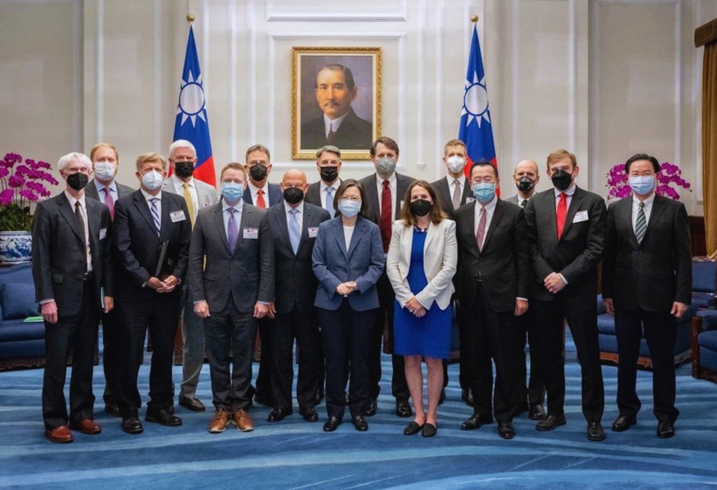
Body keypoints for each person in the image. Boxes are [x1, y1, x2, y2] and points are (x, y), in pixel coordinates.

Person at [602, 153, 692, 439]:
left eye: (646, 172)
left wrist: (682, 296)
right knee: (625, 358)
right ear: (627, 177)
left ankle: (665, 415)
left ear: (656, 175)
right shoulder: (615, 209)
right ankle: (627, 410)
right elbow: (610, 255)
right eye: (635, 172)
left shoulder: (674, 209)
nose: (640, 177)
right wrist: (607, 293)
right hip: (625, 296)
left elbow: (683, 258)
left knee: (662, 359)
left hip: (661, 297)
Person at [524, 149, 607, 442]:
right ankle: (555, 411)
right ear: (547, 173)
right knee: (549, 356)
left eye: (565, 168)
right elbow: (529, 246)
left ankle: (594, 417)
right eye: (554, 168)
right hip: (544, 290)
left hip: (578, 291)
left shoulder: (594, 202)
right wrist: (549, 276)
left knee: (588, 356)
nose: (559, 172)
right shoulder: (536, 202)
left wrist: (565, 277)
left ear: (576, 170)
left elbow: (596, 249)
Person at [32, 152, 114, 443]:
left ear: (90, 173)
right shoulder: (47, 209)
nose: (79, 173)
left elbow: (104, 256)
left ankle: (81, 414)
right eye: (73, 169)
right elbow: (40, 258)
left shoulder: (99, 209)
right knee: (56, 362)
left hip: (91, 296)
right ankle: (54, 420)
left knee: (85, 359)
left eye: (84, 169)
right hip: (61, 297)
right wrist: (46, 299)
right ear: (62, 174)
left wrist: (108, 292)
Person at [188, 162, 274, 433]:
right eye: (228, 180)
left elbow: (267, 262)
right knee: (217, 357)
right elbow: (193, 260)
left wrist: (264, 298)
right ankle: (222, 408)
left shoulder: (260, 216)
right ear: (221, 183)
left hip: (248, 300)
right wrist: (197, 298)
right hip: (213, 300)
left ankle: (240, 407)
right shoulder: (204, 216)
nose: (233, 184)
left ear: (245, 184)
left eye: (237, 180)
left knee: (245, 355)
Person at [113, 152, 191, 434]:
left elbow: (187, 246)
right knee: (131, 354)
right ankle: (129, 410)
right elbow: (122, 250)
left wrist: (176, 276)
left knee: (164, 352)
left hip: (168, 293)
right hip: (135, 294)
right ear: (138, 175)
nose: (154, 173)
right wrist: (147, 279)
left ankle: (160, 406)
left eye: (158, 168)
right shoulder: (124, 205)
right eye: (148, 169)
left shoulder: (177, 202)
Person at [455, 161, 529, 440]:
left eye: (488, 178)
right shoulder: (460, 214)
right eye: (477, 178)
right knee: (475, 359)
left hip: (505, 298)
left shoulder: (513, 214)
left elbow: (522, 257)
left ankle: (505, 415)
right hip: (470, 298)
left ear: (497, 181)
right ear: (471, 183)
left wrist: (522, 294)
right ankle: (481, 411)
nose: (482, 182)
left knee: (506, 359)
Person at [312, 179, 384, 432]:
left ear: (361, 202)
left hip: (363, 302)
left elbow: (378, 265)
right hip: (331, 302)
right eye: (346, 197)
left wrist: (358, 284)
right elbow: (318, 264)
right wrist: (336, 285)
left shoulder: (371, 229)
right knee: (334, 358)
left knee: (361, 358)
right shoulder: (325, 228)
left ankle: (358, 410)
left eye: (355, 198)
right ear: (338, 200)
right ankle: (334, 411)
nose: (350, 202)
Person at [386, 180, 457, 438]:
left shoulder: (447, 226)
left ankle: (432, 416)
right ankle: (418, 414)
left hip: (435, 302)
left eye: (423, 195)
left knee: (434, 359)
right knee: (411, 358)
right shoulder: (399, 227)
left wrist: (423, 299)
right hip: (405, 302)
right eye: (414, 196)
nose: (419, 199)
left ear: (432, 199)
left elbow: (449, 268)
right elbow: (391, 265)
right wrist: (408, 299)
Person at [266, 170, 331, 423]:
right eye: (288, 184)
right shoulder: (267, 216)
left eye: (298, 184)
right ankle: (281, 404)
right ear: (281, 186)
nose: (293, 188)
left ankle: (307, 403)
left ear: (306, 188)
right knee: (279, 355)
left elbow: (325, 258)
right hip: (278, 299)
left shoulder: (321, 215)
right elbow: (265, 260)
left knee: (310, 355)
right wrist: (266, 296)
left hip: (311, 298)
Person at [358, 136, 415, 418]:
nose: (386, 158)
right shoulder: (361, 188)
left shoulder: (412, 187)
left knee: (401, 337)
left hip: (404, 274)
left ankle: (402, 396)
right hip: (370, 275)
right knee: (369, 337)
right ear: (372, 157)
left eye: (391, 153)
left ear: (397, 156)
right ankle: (370, 394)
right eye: (381, 154)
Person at [162, 139, 218, 413]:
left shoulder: (209, 191)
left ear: (196, 161)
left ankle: (189, 391)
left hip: (202, 275)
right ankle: (162, 393)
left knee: (196, 339)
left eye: (189, 157)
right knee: (163, 338)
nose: (185, 161)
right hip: (169, 275)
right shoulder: (159, 189)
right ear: (171, 161)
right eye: (179, 157)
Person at [85, 143, 134, 417]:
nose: (106, 163)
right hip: (90, 279)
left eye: (110, 159)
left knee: (118, 343)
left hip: (124, 280)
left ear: (118, 163)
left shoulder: (129, 194)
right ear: (92, 164)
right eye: (100, 159)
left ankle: (114, 395)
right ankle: (83, 403)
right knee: (86, 343)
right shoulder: (83, 192)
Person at [430, 138, 474, 407]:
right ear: (444, 159)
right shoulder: (432, 190)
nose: (456, 158)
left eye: (460, 154)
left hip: (471, 269)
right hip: (440, 269)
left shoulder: (478, 187)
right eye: (451, 155)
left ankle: (469, 385)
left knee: (470, 333)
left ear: (466, 159)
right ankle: (440, 384)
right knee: (441, 331)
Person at [505, 158, 546, 420]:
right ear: (513, 177)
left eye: (530, 173)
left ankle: (536, 399)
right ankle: (517, 396)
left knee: (540, 348)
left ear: (538, 178)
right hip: (511, 291)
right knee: (513, 348)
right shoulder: (504, 206)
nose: (525, 177)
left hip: (542, 288)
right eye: (521, 173)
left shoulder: (546, 205)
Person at [243, 144, 281, 406]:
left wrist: (270, 291)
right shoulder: (235, 193)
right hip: (243, 281)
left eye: (262, 162)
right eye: (253, 162)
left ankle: (268, 390)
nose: (258, 166)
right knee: (243, 343)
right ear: (246, 167)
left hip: (275, 279)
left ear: (269, 166)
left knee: (273, 343)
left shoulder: (282, 193)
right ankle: (241, 393)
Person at [300, 64, 373, 150]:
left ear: (353, 93)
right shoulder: (303, 132)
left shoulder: (368, 133)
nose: (330, 96)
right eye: (323, 88)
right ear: (317, 94)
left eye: (338, 87)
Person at [305, 145, 342, 218]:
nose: (329, 166)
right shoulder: (307, 192)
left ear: (339, 165)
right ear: (318, 166)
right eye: (324, 162)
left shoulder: (349, 190)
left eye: (333, 162)